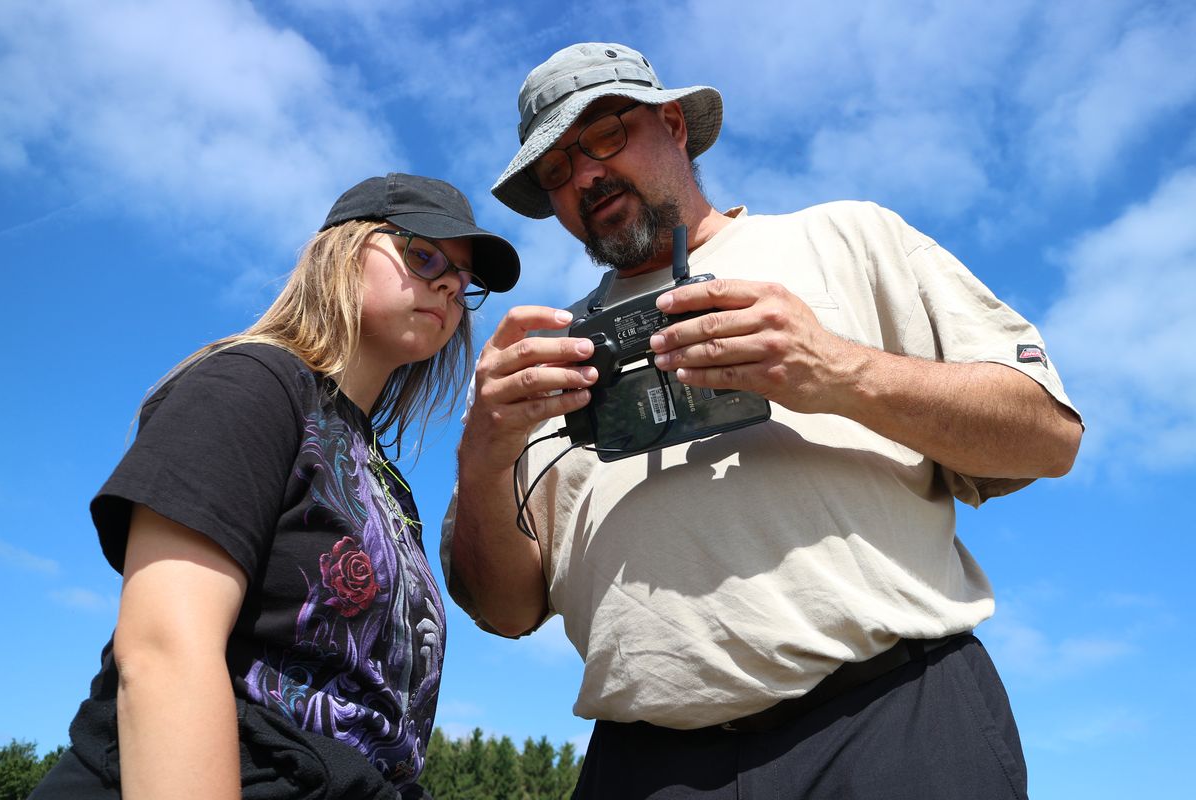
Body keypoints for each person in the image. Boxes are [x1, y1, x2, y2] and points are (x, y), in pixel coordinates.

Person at [442, 42, 1083, 799]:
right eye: (556, 170)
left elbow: (1047, 435)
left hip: (891, 729)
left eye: (606, 135)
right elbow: (503, 610)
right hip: (645, 767)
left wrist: (837, 370)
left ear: (674, 124)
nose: (584, 174)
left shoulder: (847, 237)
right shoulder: (540, 363)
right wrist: (482, 456)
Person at [31, 173, 520, 800]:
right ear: (342, 250)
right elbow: (163, 651)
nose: (450, 284)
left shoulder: (389, 485)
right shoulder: (251, 383)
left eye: (462, 278)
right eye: (422, 254)